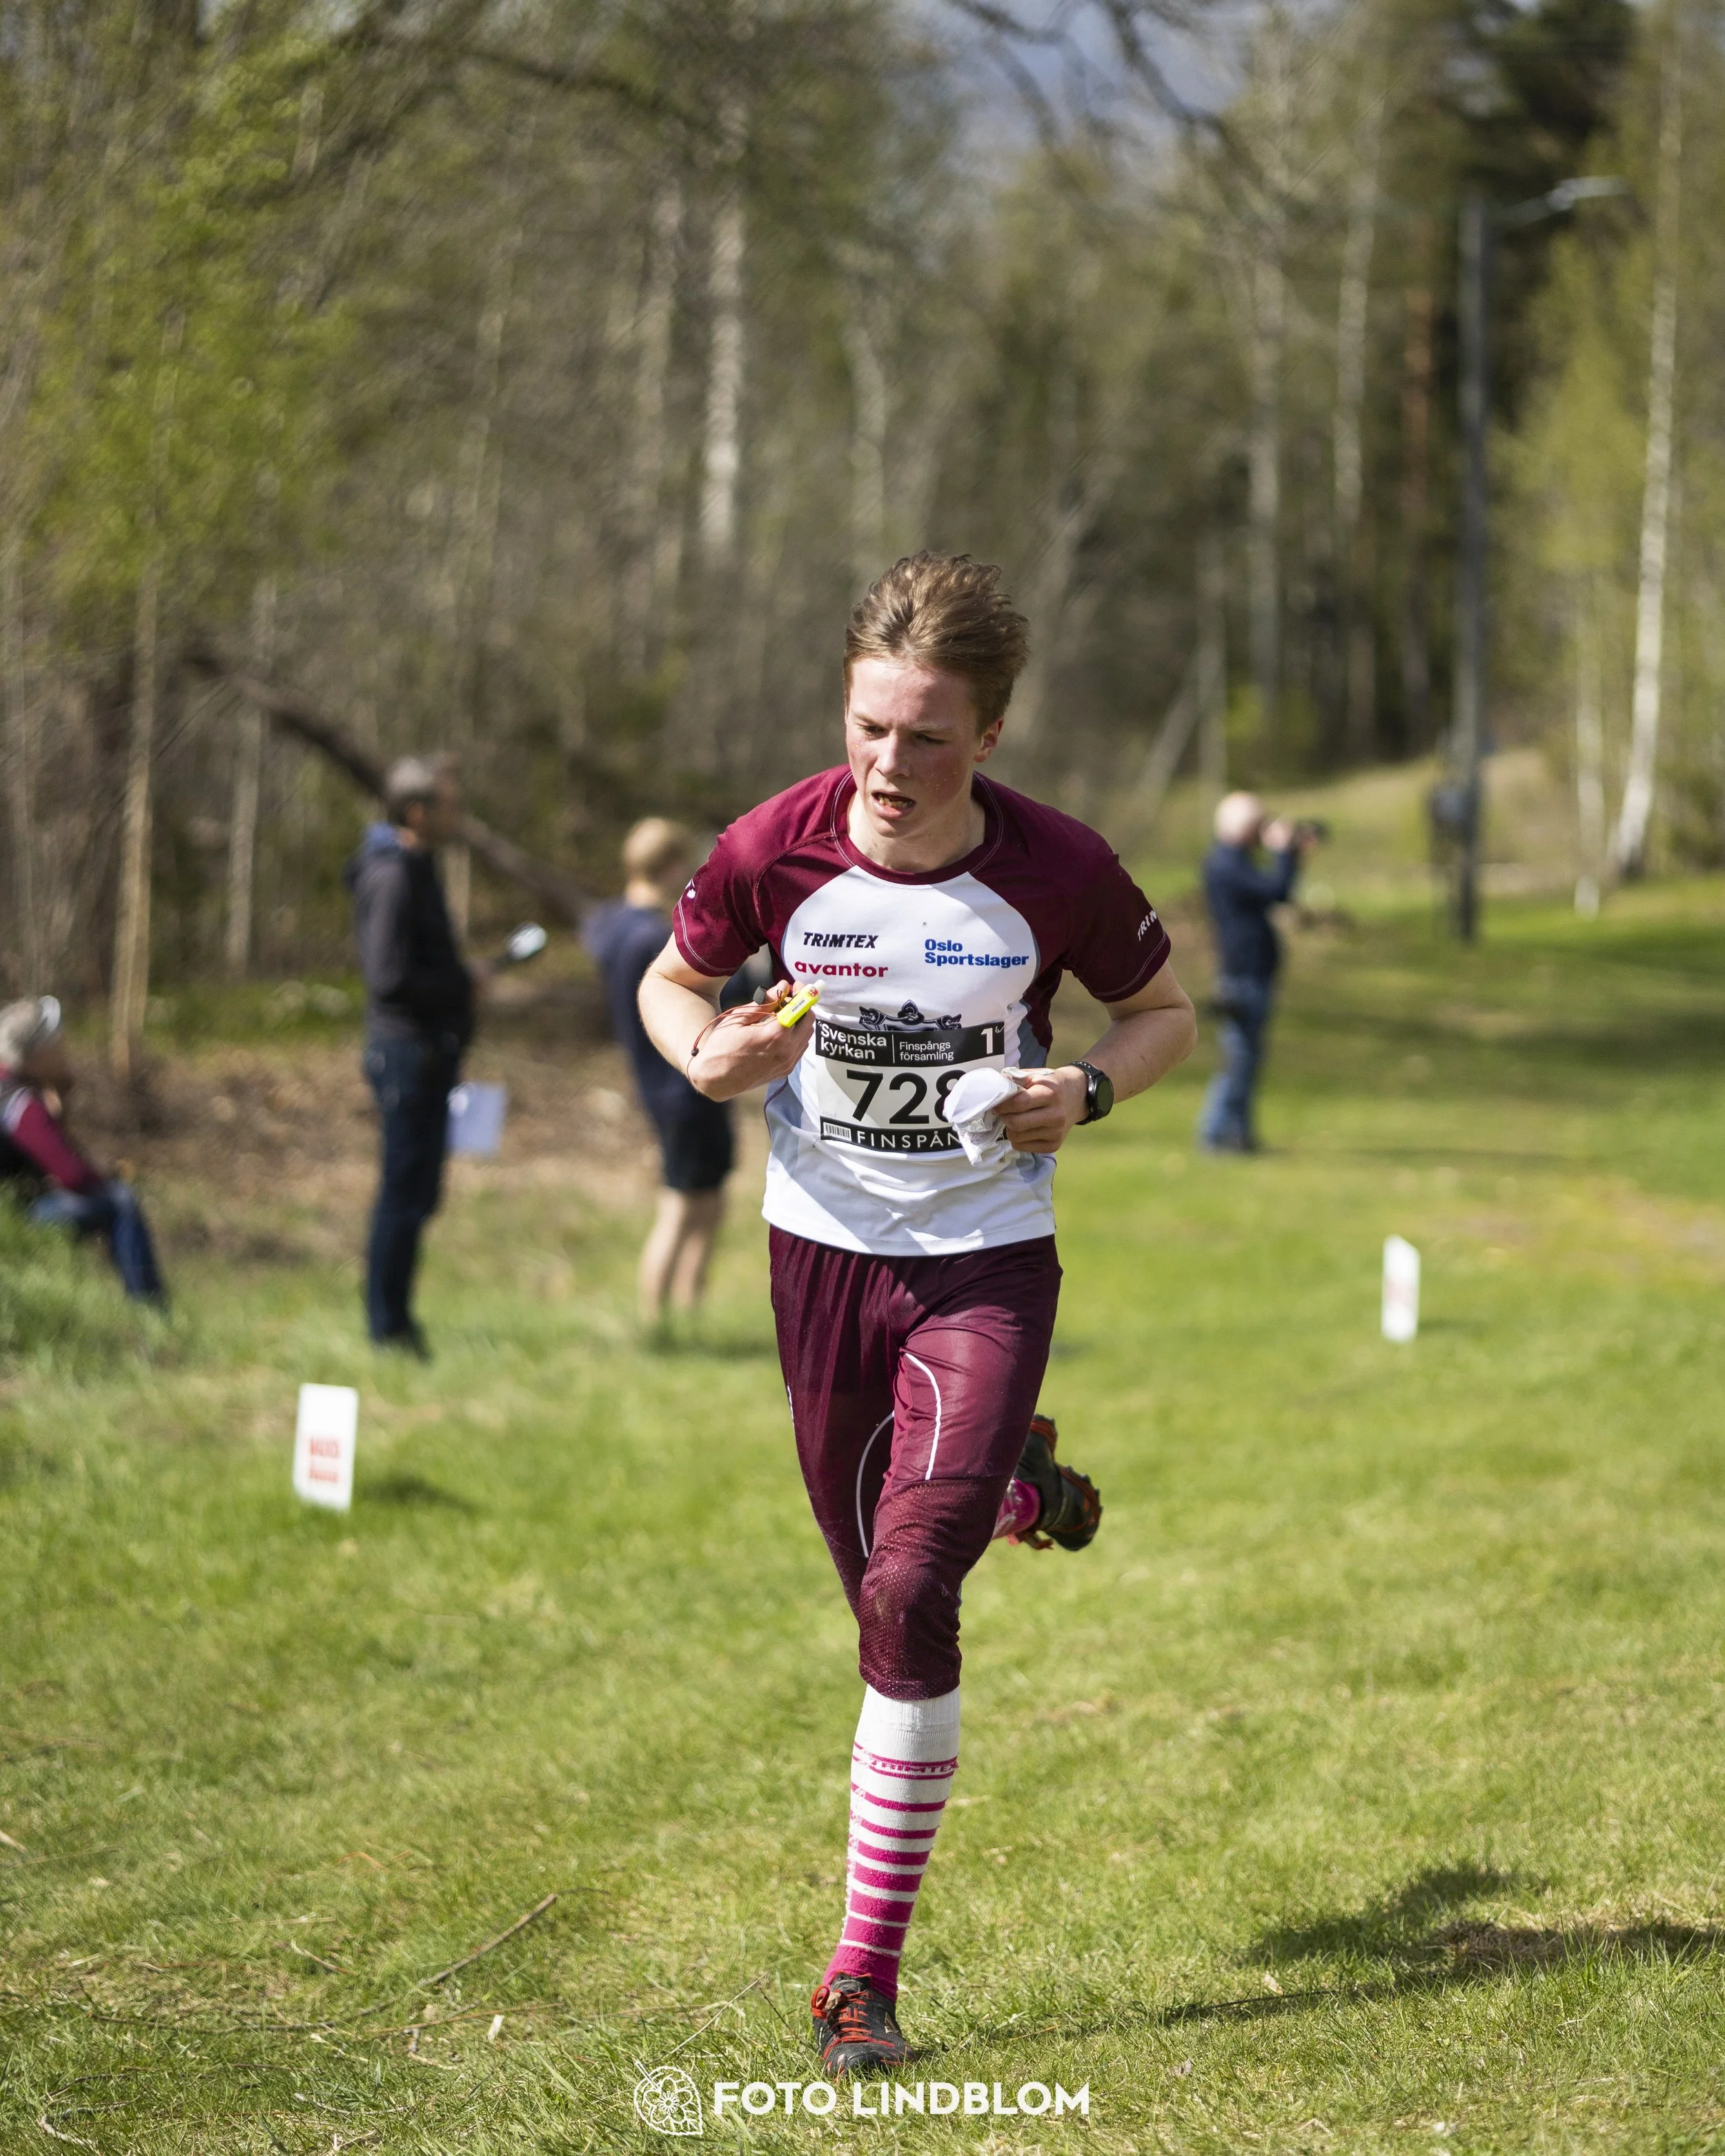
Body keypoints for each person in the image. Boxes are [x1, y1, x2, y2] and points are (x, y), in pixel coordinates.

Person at [638, 552, 1196, 2078]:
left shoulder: (1055, 870)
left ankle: (856, 1976)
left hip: (981, 1261)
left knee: (903, 1600)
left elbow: (1161, 1014)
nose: (888, 765)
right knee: (871, 1572)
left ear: (990, 733)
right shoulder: (773, 848)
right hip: (819, 1258)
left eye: (927, 735)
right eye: (868, 725)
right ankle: (1020, 1482)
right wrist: (707, 1055)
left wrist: (1078, 1086)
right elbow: (669, 981)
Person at [344, 755, 482, 1357]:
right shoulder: (393, 876)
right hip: (405, 1055)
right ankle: (387, 1327)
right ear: (418, 811)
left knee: (419, 1191)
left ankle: (399, 1319)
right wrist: (460, 985)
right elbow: (388, 976)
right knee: (402, 1191)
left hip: (429, 1054)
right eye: (450, 804)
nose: (459, 815)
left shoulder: (417, 867)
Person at [584, 818, 737, 1325]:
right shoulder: (652, 937)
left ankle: (688, 1314)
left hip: (659, 1081)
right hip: (679, 1081)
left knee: (706, 1200)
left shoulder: (611, 923)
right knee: (679, 1205)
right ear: (670, 866)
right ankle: (657, 1320)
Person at [0, 996, 167, 1305]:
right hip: (17, 1217)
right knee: (121, 1201)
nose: (63, 1048)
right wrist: (104, 1178)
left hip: (12, 1209)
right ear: (36, 1054)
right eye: (56, 1043)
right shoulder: (21, 1103)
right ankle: (151, 1311)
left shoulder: (11, 1088)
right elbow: (72, 1175)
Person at [1196, 790, 1316, 1156]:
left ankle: (1237, 1136)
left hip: (1250, 972)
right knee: (1240, 1059)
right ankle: (1217, 1135)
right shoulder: (1227, 863)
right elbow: (1277, 890)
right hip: (1242, 974)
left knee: (1246, 1058)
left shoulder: (1233, 861)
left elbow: (1276, 889)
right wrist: (1282, 851)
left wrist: (1291, 854)